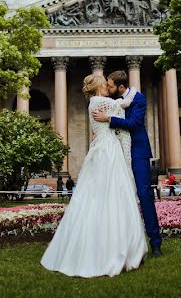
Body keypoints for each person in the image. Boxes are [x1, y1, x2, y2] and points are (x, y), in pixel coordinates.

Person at [41, 74, 147, 277]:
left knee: (96, 195)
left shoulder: (94, 103)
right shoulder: (104, 102)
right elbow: (123, 105)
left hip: (100, 148)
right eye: (104, 82)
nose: (107, 85)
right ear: (98, 86)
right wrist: (133, 94)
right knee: (114, 194)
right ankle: (116, 249)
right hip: (109, 150)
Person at [93, 70, 163, 256]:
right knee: (119, 196)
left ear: (120, 87)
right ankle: (123, 243)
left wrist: (109, 119)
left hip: (138, 152)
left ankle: (155, 242)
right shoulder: (112, 102)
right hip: (117, 152)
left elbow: (133, 123)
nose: (107, 88)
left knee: (144, 194)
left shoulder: (138, 99)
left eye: (110, 86)